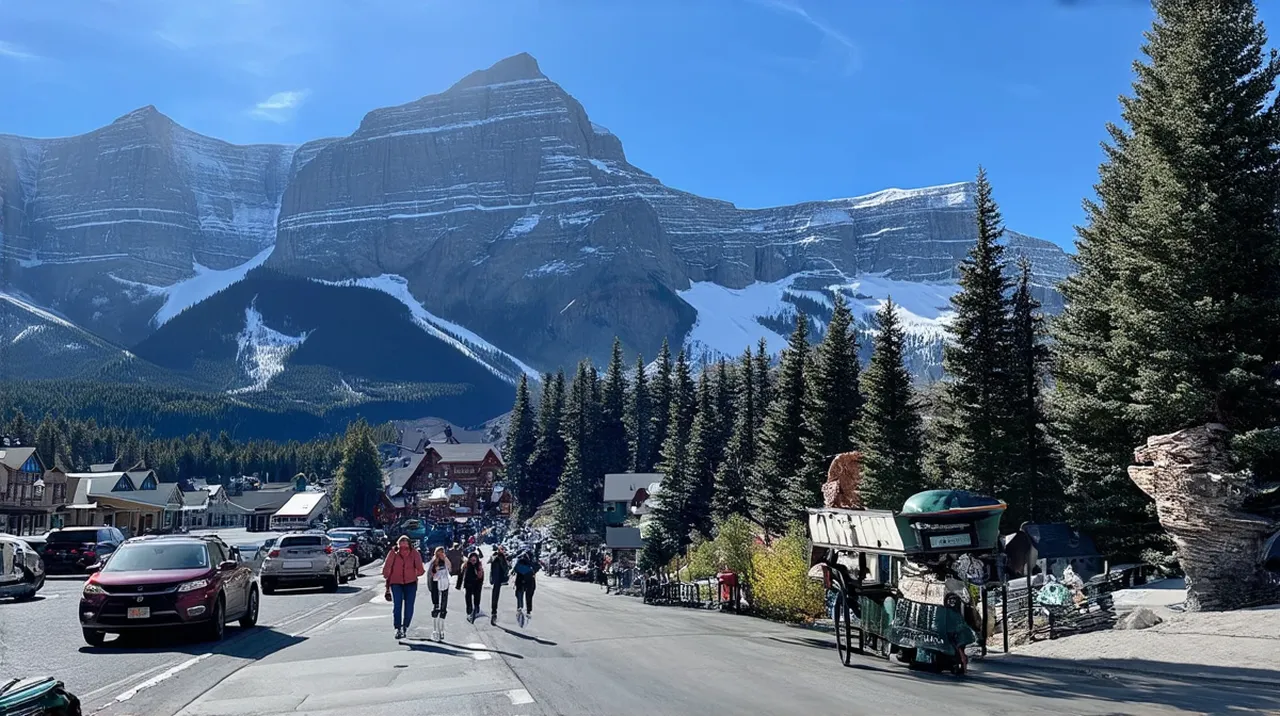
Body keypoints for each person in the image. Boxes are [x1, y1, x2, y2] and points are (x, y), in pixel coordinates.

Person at [382, 536, 425, 640]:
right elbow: (420, 570)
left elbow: (420, 569)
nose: (403, 548)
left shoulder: (412, 553)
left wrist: (387, 575)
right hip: (399, 582)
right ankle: (402, 627)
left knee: (401, 606)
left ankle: (401, 628)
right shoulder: (395, 553)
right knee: (404, 606)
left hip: (406, 582)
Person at [427, 546, 453, 642]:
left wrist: (445, 558)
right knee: (436, 609)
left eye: (442, 552)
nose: (441, 554)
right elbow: (431, 574)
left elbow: (450, 568)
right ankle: (435, 630)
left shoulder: (445, 561)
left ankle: (441, 630)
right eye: (439, 552)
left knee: (443, 609)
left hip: (445, 585)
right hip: (436, 585)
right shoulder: (433, 562)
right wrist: (435, 568)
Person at [457, 550, 485, 623]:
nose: (473, 561)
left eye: (474, 560)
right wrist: (458, 585)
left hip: (477, 585)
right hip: (468, 584)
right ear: (469, 559)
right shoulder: (466, 565)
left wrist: (480, 583)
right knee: (468, 598)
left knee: (477, 597)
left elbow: (482, 576)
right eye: (472, 560)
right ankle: (469, 612)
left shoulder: (479, 566)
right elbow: (461, 575)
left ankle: (476, 608)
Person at [514, 550, 540, 628]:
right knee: (526, 596)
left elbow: (516, 569)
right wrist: (530, 570)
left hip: (523, 582)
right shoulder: (528, 563)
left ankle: (521, 610)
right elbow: (536, 568)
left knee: (521, 595)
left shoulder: (522, 561)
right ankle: (526, 611)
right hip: (527, 582)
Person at [488, 545, 511, 626]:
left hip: (500, 579)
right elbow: (490, 564)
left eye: (503, 549)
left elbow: (507, 568)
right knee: (495, 595)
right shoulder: (495, 556)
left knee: (495, 595)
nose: (502, 550)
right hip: (496, 579)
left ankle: (494, 613)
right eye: (501, 549)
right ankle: (493, 613)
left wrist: (504, 560)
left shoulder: (504, 558)